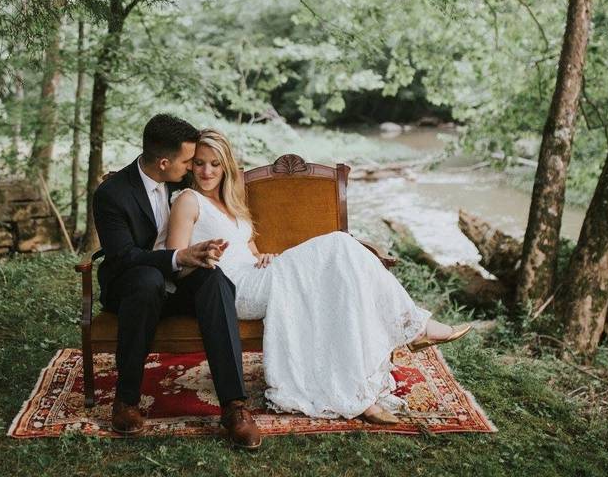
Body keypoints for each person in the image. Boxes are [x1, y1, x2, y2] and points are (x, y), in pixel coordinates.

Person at [161, 129, 471, 424]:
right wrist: (201, 257)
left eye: (215, 164)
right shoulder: (189, 200)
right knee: (338, 243)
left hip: (258, 274)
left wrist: (263, 257)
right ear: (190, 166)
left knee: (342, 273)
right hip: (231, 289)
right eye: (199, 163)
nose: (206, 171)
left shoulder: (231, 201)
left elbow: (250, 251)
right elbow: (174, 259)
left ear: (225, 165)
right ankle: (416, 326)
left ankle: (363, 389)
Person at [92, 114, 262, 449]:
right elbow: (124, 256)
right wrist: (177, 257)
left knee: (214, 281)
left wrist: (201, 255)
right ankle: (125, 401)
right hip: (132, 284)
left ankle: (234, 406)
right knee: (147, 280)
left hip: (177, 280)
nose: (193, 169)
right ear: (165, 162)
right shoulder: (112, 194)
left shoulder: (180, 184)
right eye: (188, 161)